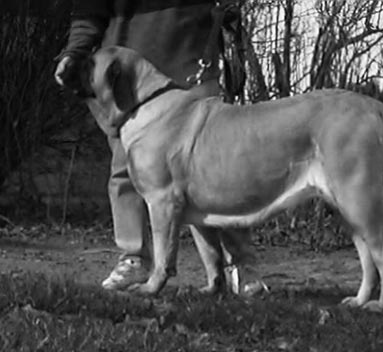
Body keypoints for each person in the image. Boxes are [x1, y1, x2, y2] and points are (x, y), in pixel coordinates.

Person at [54, 0, 260, 294]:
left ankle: (240, 267)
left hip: (190, 66)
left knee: (219, 170)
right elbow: (90, 9)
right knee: (126, 170)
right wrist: (75, 51)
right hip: (125, 75)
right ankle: (134, 258)